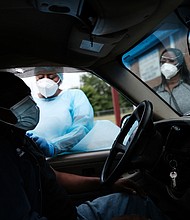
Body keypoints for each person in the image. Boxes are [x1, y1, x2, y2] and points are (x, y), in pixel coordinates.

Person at [0, 72, 170, 220]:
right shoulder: (4, 156)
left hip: (71, 214)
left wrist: (106, 184)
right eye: (22, 105)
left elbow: (55, 177)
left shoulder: (21, 139)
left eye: (29, 99)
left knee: (136, 200)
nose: (33, 107)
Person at [27, 67, 94, 157]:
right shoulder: (30, 102)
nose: (45, 81)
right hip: (37, 159)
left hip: (70, 157)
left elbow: (83, 127)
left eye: (51, 77)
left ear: (60, 77)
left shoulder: (74, 96)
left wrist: (54, 146)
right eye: (40, 77)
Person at [154, 48, 190, 115]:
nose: (166, 65)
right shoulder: (156, 92)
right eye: (163, 62)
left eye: (171, 61)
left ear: (180, 63)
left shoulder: (188, 85)